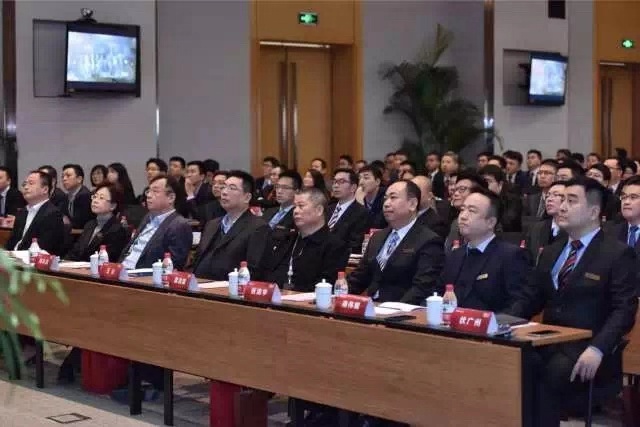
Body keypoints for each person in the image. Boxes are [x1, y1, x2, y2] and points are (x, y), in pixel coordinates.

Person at [516, 177, 637, 426]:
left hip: (589, 347)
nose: (561, 207)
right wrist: (498, 321)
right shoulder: (552, 250)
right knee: (513, 365)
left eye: (571, 201)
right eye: (561, 199)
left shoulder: (617, 253)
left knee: (548, 375)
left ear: (593, 212)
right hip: (548, 340)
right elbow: (530, 298)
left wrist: (598, 348)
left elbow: (624, 310)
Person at [436, 187, 531, 313]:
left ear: (490, 222)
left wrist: (493, 322)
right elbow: (438, 294)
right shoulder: (455, 255)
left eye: (472, 211)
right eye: (462, 209)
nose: (463, 216)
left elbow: (519, 304)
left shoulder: (510, 256)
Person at [348, 180, 444, 304]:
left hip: (402, 309)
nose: (386, 204)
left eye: (393, 198)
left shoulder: (428, 241)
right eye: (385, 198)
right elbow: (359, 277)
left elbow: (422, 288)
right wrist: (338, 292)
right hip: (372, 307)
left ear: (412, 204)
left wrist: (394, 309)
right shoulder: (377, 237)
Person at [265, 188, 349, 291]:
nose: (295, 211)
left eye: (301, 206)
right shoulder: (287, 239)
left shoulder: (335, 246)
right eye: (295, 207)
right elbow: (269, 273)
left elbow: (325, 285)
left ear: (319, 210)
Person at [193, 171, 272, 280]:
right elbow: (198, 259)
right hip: (199, 284)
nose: (224, 192)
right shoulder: (212, 224)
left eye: (232, 188)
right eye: (224, 187)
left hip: (229, 287)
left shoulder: (258, 228)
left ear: (247, 197)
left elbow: (253, 271)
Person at [119, 176, 192, 270]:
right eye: (148, 191)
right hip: (123, 270)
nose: (149, 195)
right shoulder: (147, 217)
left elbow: (173, 265)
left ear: (171, 198)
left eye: (155, 191)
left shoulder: (179, 225)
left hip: (144, 275)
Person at [5, 170, 65, 255]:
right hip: (13, 258)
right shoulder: (22, 212)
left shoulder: (53, 214)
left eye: (31, 183)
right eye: (24, 184)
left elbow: (45, 248)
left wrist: (16, 255)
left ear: (45, 189)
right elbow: (12, 241)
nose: (26, 187)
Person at [67, 183, 128, 262]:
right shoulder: (89, 224)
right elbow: (75, 252)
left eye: (101, 198)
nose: (95, 201)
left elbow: (107, 259)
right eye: (95, 196)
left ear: (112, 206)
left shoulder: (117, 230)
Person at [327, 168, 369, 254]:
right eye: (334, 182)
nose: (336, 185)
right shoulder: (328, 208)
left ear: (353, 187)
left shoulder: (361, 212)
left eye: (341, 182)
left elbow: (355, 244)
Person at [525, 182, 567, 263]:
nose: (549, 199)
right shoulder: (536, 228)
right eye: (547, 196)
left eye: (555, 195)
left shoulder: (573, 230)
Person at [479, 164, 523, 232]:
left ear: (500, 184)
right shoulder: (479, 198)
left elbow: (508, 223)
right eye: (483, 182)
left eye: (489, 181)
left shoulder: (513, 199)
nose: (485, 186)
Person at [61, 164, 94, 229]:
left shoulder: (85, 196)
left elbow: (79, 223)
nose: (64, 179)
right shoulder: (66, 196)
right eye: (62, 177)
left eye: (68, 176)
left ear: (79, 179)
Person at [357, 165, 387, 229]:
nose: (360, 182)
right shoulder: (357, 195)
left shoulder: (386, 197)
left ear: (377, 181)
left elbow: (377, 224)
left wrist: (360, 203)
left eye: (366, 178)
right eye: (359, 178)